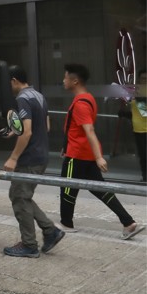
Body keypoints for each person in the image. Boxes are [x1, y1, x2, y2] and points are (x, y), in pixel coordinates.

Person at [59, 63, 144, 240]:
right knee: (101, 189)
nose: (63, 80)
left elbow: (89, 130)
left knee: (67, 188)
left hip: (77, 154)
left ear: (75, 81)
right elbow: (77, 129)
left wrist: (99, 157)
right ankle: (128, 222)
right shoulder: (88, 98)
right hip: (83, 152)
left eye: (66, 77)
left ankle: (66, 224)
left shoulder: (81, 103)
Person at [2, 66, 64, 258]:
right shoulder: (38, 95)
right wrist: (15, 130)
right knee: (21, 195)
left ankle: (29, 245)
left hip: (29, 159)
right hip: (41, 156)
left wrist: (13, 158)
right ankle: (50, 231)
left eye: (10, 83)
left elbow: (28, 131)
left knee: (20, 198)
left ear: (14, 81)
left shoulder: (22, 98)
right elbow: (44, 125)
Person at [132, 70, 147, 182]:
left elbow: (144, 112)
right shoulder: (136, 92)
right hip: (138, 130)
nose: (144, 80)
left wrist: (136, 98)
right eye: (142, 78)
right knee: (142, 155)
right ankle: (145, 176)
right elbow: (135, 111)